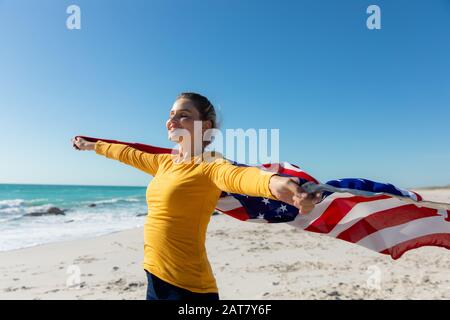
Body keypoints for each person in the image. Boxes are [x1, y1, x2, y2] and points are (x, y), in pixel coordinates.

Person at [71, 92, 321, 300]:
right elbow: (126, 153)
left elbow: (239, 177)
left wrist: (275, 184)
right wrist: (92, 145)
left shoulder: (210, 164)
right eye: (171, 115)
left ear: (205, 127)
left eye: (184, 115)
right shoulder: (164, 163)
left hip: (189, 289)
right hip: (153, 275)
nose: (173, 120)